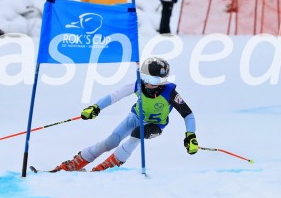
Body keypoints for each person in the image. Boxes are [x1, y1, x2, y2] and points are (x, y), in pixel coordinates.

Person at [52, 57, 199, 172]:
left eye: (154, 80)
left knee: (137, 134)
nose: (148, 84)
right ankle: (74, 164)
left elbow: (188, 114)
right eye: (146, 78)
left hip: (154, 126)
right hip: (135, 118)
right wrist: (96, 107)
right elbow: (115, 96)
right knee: (111, 141)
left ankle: (106, 167)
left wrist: (190, 135)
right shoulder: (137, 84)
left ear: (163, 81)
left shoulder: (170, 92)